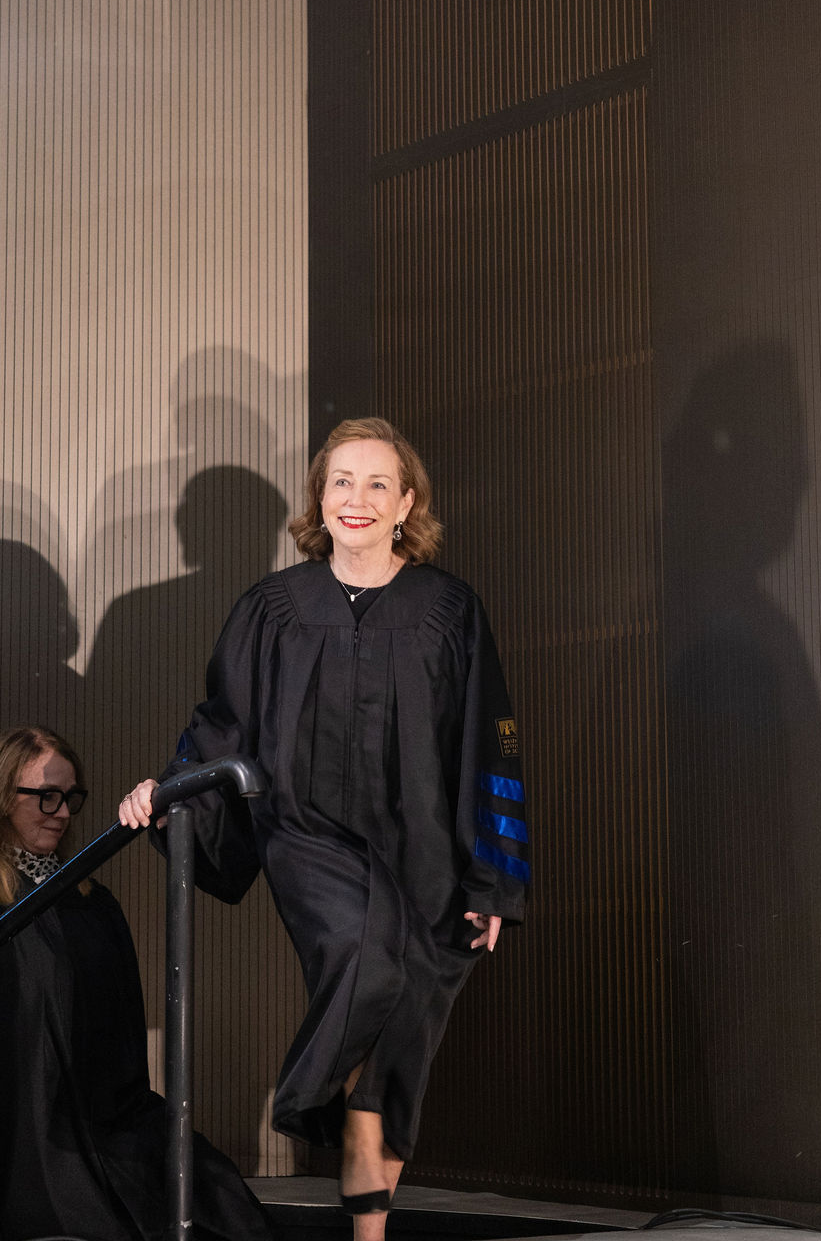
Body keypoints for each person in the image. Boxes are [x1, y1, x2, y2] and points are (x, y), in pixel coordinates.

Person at [120, 417, 529, 1241]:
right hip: (307, 833)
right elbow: (222, 722)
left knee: (400, 1046)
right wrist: (171, 789)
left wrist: (495, 879)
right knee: (365, 949)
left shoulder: (449, 609)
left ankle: (367, 1234)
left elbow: (494, 742)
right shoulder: (272, 609)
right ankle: (305, 1098)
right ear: (319, 497)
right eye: (342, 481)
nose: (357, 498)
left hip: (427, 846)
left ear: (406, 504)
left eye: (379, 484)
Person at [0, 726, 271, 1241]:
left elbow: (123, 1039)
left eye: (70, 797)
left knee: (221, 1203)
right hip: (28, 1138)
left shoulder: (91, 901)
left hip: (113, 1123)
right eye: (46, 797)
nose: (62, 813)